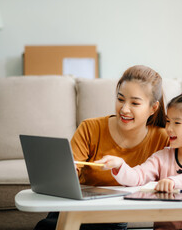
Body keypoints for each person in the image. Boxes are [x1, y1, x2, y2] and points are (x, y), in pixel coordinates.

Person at [33, 65, 170, 230]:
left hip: (112, 217)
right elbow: (68, 174)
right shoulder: (90, 128)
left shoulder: (162, 138)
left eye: (134, 103)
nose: (124, 109)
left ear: (153, 108)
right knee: (46, 227)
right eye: (120, 99)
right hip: (76, 208)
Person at [96, 90, 182, 230]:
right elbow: (137, 176)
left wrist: (174, 181)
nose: (168, 128)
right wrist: (120, 166)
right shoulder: (162, 157)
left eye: (177, 123)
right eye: (168, 121)